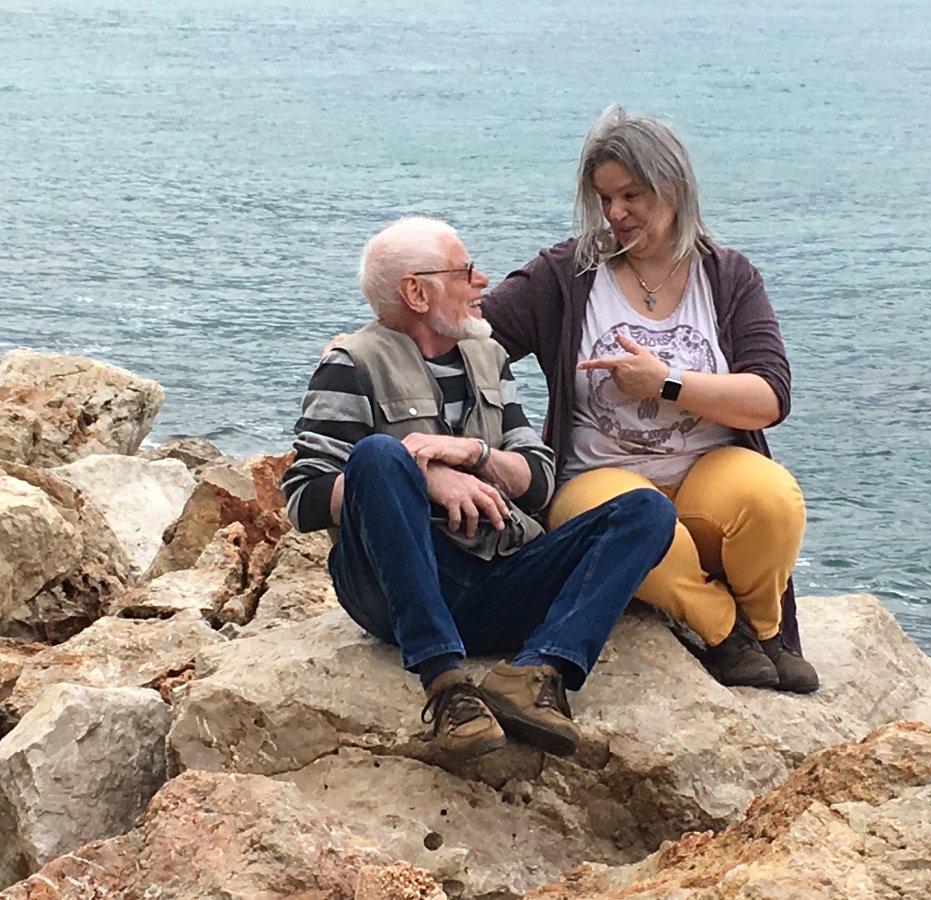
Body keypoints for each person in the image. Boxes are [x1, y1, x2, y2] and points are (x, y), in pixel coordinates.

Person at [281, 216, 676, 761]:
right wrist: (422, 476)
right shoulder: (351, 364)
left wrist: (475, 455)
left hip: (498, 575)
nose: (482, 281)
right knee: (378, 455)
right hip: (398, 586)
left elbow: (538, 481)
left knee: (647, 511)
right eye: (464, 271)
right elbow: (303, 497)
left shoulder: (488, 357)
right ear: (416, 292)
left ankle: (536, 671)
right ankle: (446, 688)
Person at [482, 106, 818, 694]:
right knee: (634, 522)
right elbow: (471, 338)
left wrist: (665, 381)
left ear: (674, 188)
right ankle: (722, 632)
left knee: (772, 498)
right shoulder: (565, 274)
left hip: (707, 471)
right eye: (604, 198)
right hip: (599, 476)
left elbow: (768, 397)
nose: (616, 213)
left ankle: (767, 632)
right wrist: (376, 342)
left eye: (631, 195)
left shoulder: (728, 276)